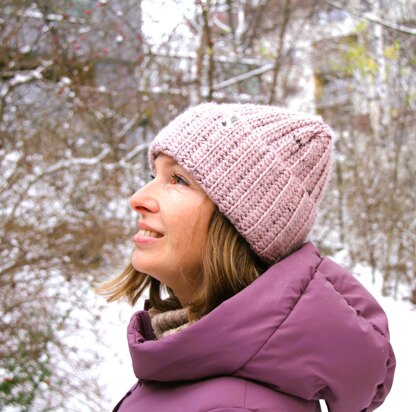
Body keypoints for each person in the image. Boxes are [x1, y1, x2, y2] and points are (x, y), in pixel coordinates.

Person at [98, 103, 395, 412]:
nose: (138, 199)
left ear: (239, 226)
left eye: (179, 180)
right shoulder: (190, 358)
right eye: (153, 175)